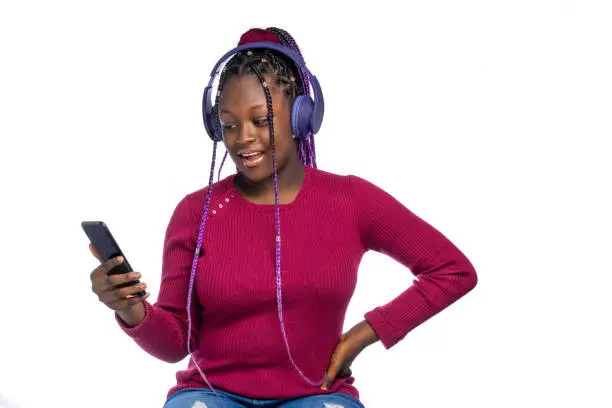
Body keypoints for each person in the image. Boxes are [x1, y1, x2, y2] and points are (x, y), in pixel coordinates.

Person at [89, 27, 478, 408]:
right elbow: (175, 343)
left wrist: (363, 334)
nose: (243, 138)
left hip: (316, 395)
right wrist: (129, 308)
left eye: (261, 120)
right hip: (210, 395)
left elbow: (452, 271)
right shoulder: (196, 212)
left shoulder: (351, 200)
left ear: (300, 116)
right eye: (229, 124)